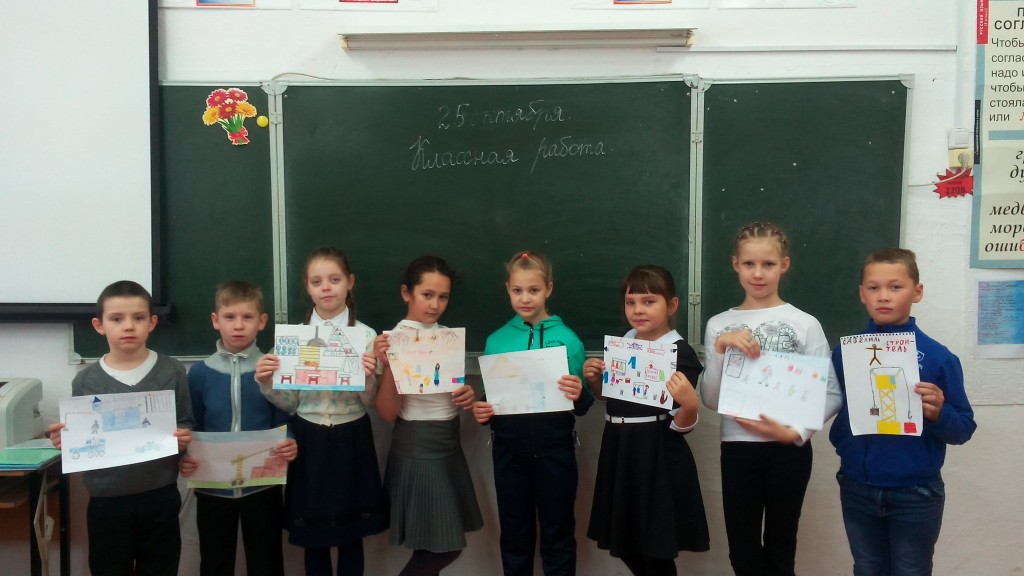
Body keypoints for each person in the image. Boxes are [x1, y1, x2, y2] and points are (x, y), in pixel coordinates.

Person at [699, 221, 843, 576]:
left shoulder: (805, 323)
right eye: (749, 264)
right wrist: (720, 349)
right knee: (743, 553)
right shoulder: (719, 324)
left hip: (788, 451)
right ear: (736, 264)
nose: (758, 273)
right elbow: (712, 400)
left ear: (784, 265)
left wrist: (796, 433)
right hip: (738, 449)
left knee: (781, 550)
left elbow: (831, 393)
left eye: (768, 264)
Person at [830, 247, 976, 576]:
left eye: (895, 287)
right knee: (867, 568)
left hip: (916, 492)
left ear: (917, 292)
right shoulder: (844, 352)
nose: (884, 296)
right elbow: (831, 404)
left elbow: (964, 428)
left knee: (912, 571)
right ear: (862, 294)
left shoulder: (938, 357)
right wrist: (842, 442)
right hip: (857, 486)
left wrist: (939, 413)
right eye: (874, 287)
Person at [47, 280, 194, 576]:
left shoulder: (172, 371)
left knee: (161, 568)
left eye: (138, 317)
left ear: (152, 323)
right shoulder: (86, 381)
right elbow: (82, 435)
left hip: (160, 494)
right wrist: (66, 440)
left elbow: (186, 421)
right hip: (106, 499)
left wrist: (183, 437)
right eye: (116, 319)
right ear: (99, 325)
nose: (128, 326)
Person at [254, 247, 385, 576]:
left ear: (350, 282)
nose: (326, 287)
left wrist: (369, 378)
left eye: (334, 279)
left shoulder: (366, 336)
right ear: (308, 287)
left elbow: (370, 402)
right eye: (317, 282)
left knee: (351, 534)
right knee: (314, 536)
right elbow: (291, 403)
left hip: (351, 436)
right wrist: (267, 382)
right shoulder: (294, 338)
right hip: (309, 437)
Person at [472, 251, 594, 576]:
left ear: (549, 289)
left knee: (558, 535)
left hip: (556, 452)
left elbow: (583, 405)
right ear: (508, 290)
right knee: (515, 536)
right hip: (509, 454)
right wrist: (483, 410)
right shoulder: (497, 341)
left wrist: (579, 392)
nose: (525, 298)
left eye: (534, 290)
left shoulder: (568, 340)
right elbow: (491, 399)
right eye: (517, 290)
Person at [584, 265, 710, 576]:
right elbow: (612, 399)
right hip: (620, 449)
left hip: (656, 454)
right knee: (626, 541)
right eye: (631, 302)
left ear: (672, 305)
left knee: (654, 546)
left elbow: (681, 424)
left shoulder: (680, 353)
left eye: (649, 301)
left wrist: (690, 405)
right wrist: (596, 382)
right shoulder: (623, 344)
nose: (638, 310)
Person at [178, 281, 298, 576]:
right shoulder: (200, 373)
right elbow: (192, 424)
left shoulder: (272, 369)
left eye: (248, 317)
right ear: (215, 320)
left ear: (262, 321)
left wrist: (290, 439)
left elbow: (284, 416)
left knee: (266, 561)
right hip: (213, 487)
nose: (239, 325)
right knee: (215, 561)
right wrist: (185, 456)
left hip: (264, 485)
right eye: (230, 317)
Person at [373, 255, 483, 576]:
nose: (435, 305)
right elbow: (387, 412)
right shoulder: (389, 341)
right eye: (427, 295)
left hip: (448, 443)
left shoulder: (447, 338)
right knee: (444, 548)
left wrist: (466, 394)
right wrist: (390, 365)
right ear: (406, 293)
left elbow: (452, 394)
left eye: (443, 297)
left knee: (433, 544)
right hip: (418, 446)